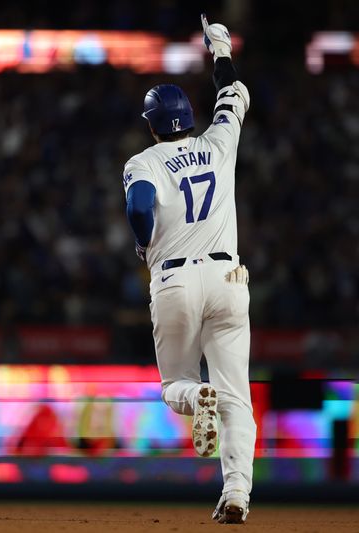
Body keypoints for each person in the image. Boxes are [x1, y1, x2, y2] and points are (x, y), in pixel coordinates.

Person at [122, 14, 256, 524]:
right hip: (227, 279)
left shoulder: (144, 161)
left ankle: (191, 394)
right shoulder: (220, 143)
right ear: (189, 116)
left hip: (174, 279)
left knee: (174, 383)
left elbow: (139, 207)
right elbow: (232, 91)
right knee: (235, 394)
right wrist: (219, 45)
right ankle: (237, 492)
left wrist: (142, 243)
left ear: (152, 125)